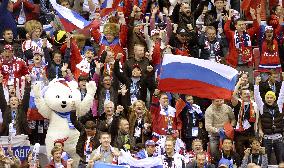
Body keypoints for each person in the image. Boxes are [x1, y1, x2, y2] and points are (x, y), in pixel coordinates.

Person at [254, 75, 284, 164]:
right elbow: (257, 97)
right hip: (266, 139)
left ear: (274, 99)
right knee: (265, 162)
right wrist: (256, 84)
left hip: (278, 138)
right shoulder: (262, 107)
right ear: (265, 99)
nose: (269, 99)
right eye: (268, 98)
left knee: (281, 161)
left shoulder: (279, 105)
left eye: (271, 98)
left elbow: (282, 93)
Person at [231, 76, 259, 158]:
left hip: (251, 133)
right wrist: (239, 82)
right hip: (240, 133)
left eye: (248, 94)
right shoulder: (238, 104)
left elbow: (257, 119)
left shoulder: (254, 104)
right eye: (245, 94)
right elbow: (233, 95)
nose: (247, 95)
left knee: (252, 154)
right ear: (241, 96)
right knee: (240, 153)